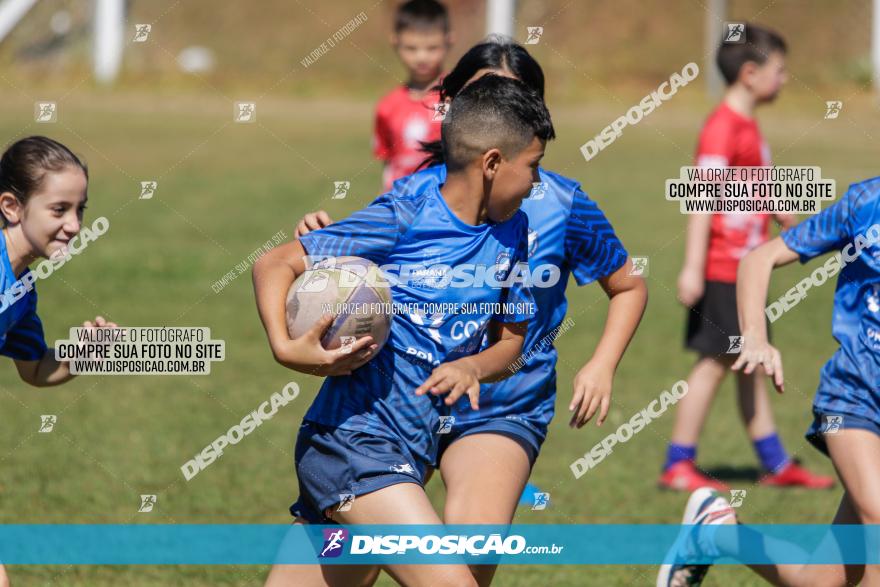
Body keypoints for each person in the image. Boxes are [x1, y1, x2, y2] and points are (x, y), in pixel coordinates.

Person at [294, 38, 648, 587]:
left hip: (500, 405)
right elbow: (385, 273)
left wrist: (601, 363)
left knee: (458, 569)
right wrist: (325, 265)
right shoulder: (417, 192)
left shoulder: (562, 202)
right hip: (398, 402)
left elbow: (628, 285)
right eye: (481, 98)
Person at [259, 74, 554, 587]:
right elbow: (276, 263)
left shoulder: (515, 231)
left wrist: (471, 365)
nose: (537, 182)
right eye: (533, 167)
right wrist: (288, 350)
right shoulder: (407, 215)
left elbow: (511, 342)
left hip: (408, 450)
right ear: (491, 162)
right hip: (352, 441)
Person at [659, 176, 880, 586]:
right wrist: (755, 336)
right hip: (853, 400)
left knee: (821, 581)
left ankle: (718, 533)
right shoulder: (866, 202)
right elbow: (758, 258)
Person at [660, 23, 832, 491]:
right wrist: (694, 267)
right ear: (751, 73)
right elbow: (702, 198)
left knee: (750, 362)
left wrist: (786, 215)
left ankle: (776, 464)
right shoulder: (722, 128)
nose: (785, 78)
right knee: (716, 363)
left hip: (743, 269)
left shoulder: (747, 128)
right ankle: (678, 463)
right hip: (722, 269)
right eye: (780, 69)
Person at [0, 135, 118, 587]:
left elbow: (34, 369)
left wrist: (81, 356)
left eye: (80, 209)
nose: (74, 224)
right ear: (13, 207)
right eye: (58, 209)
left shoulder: (21, 288)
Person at [373, 0, 451, 191]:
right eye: (411, 48)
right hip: (399, 206)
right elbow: (388, 164)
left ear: (449, 41)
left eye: (432, 48)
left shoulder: (457, 95)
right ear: (395, 42)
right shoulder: (387, 105)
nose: (421, 57)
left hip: (442, 206)